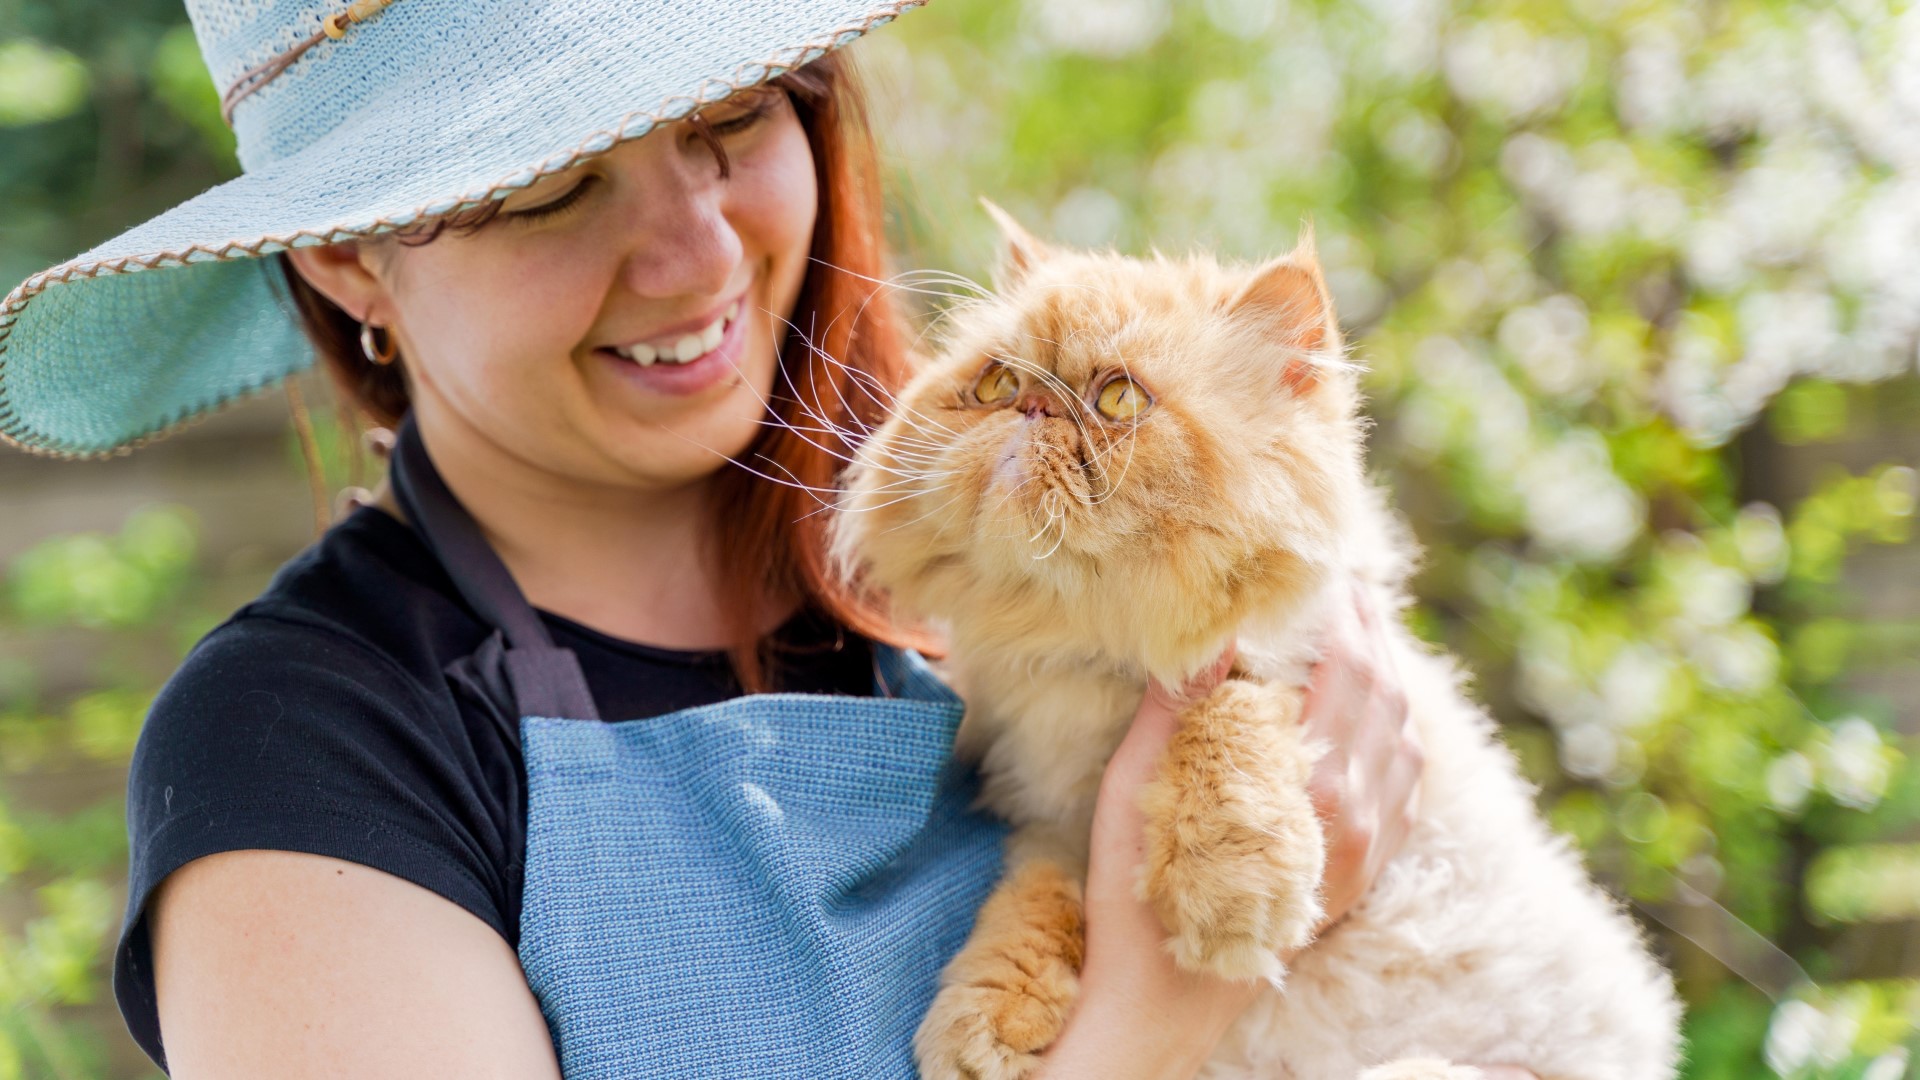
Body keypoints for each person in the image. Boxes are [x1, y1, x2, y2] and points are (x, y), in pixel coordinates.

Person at [0, 1, 1530, 1076]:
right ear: (348, 260)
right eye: (548, 191)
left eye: (731, 124)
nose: (690, 255)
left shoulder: (1001, 564)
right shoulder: (308, 748)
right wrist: (1156, 1006)